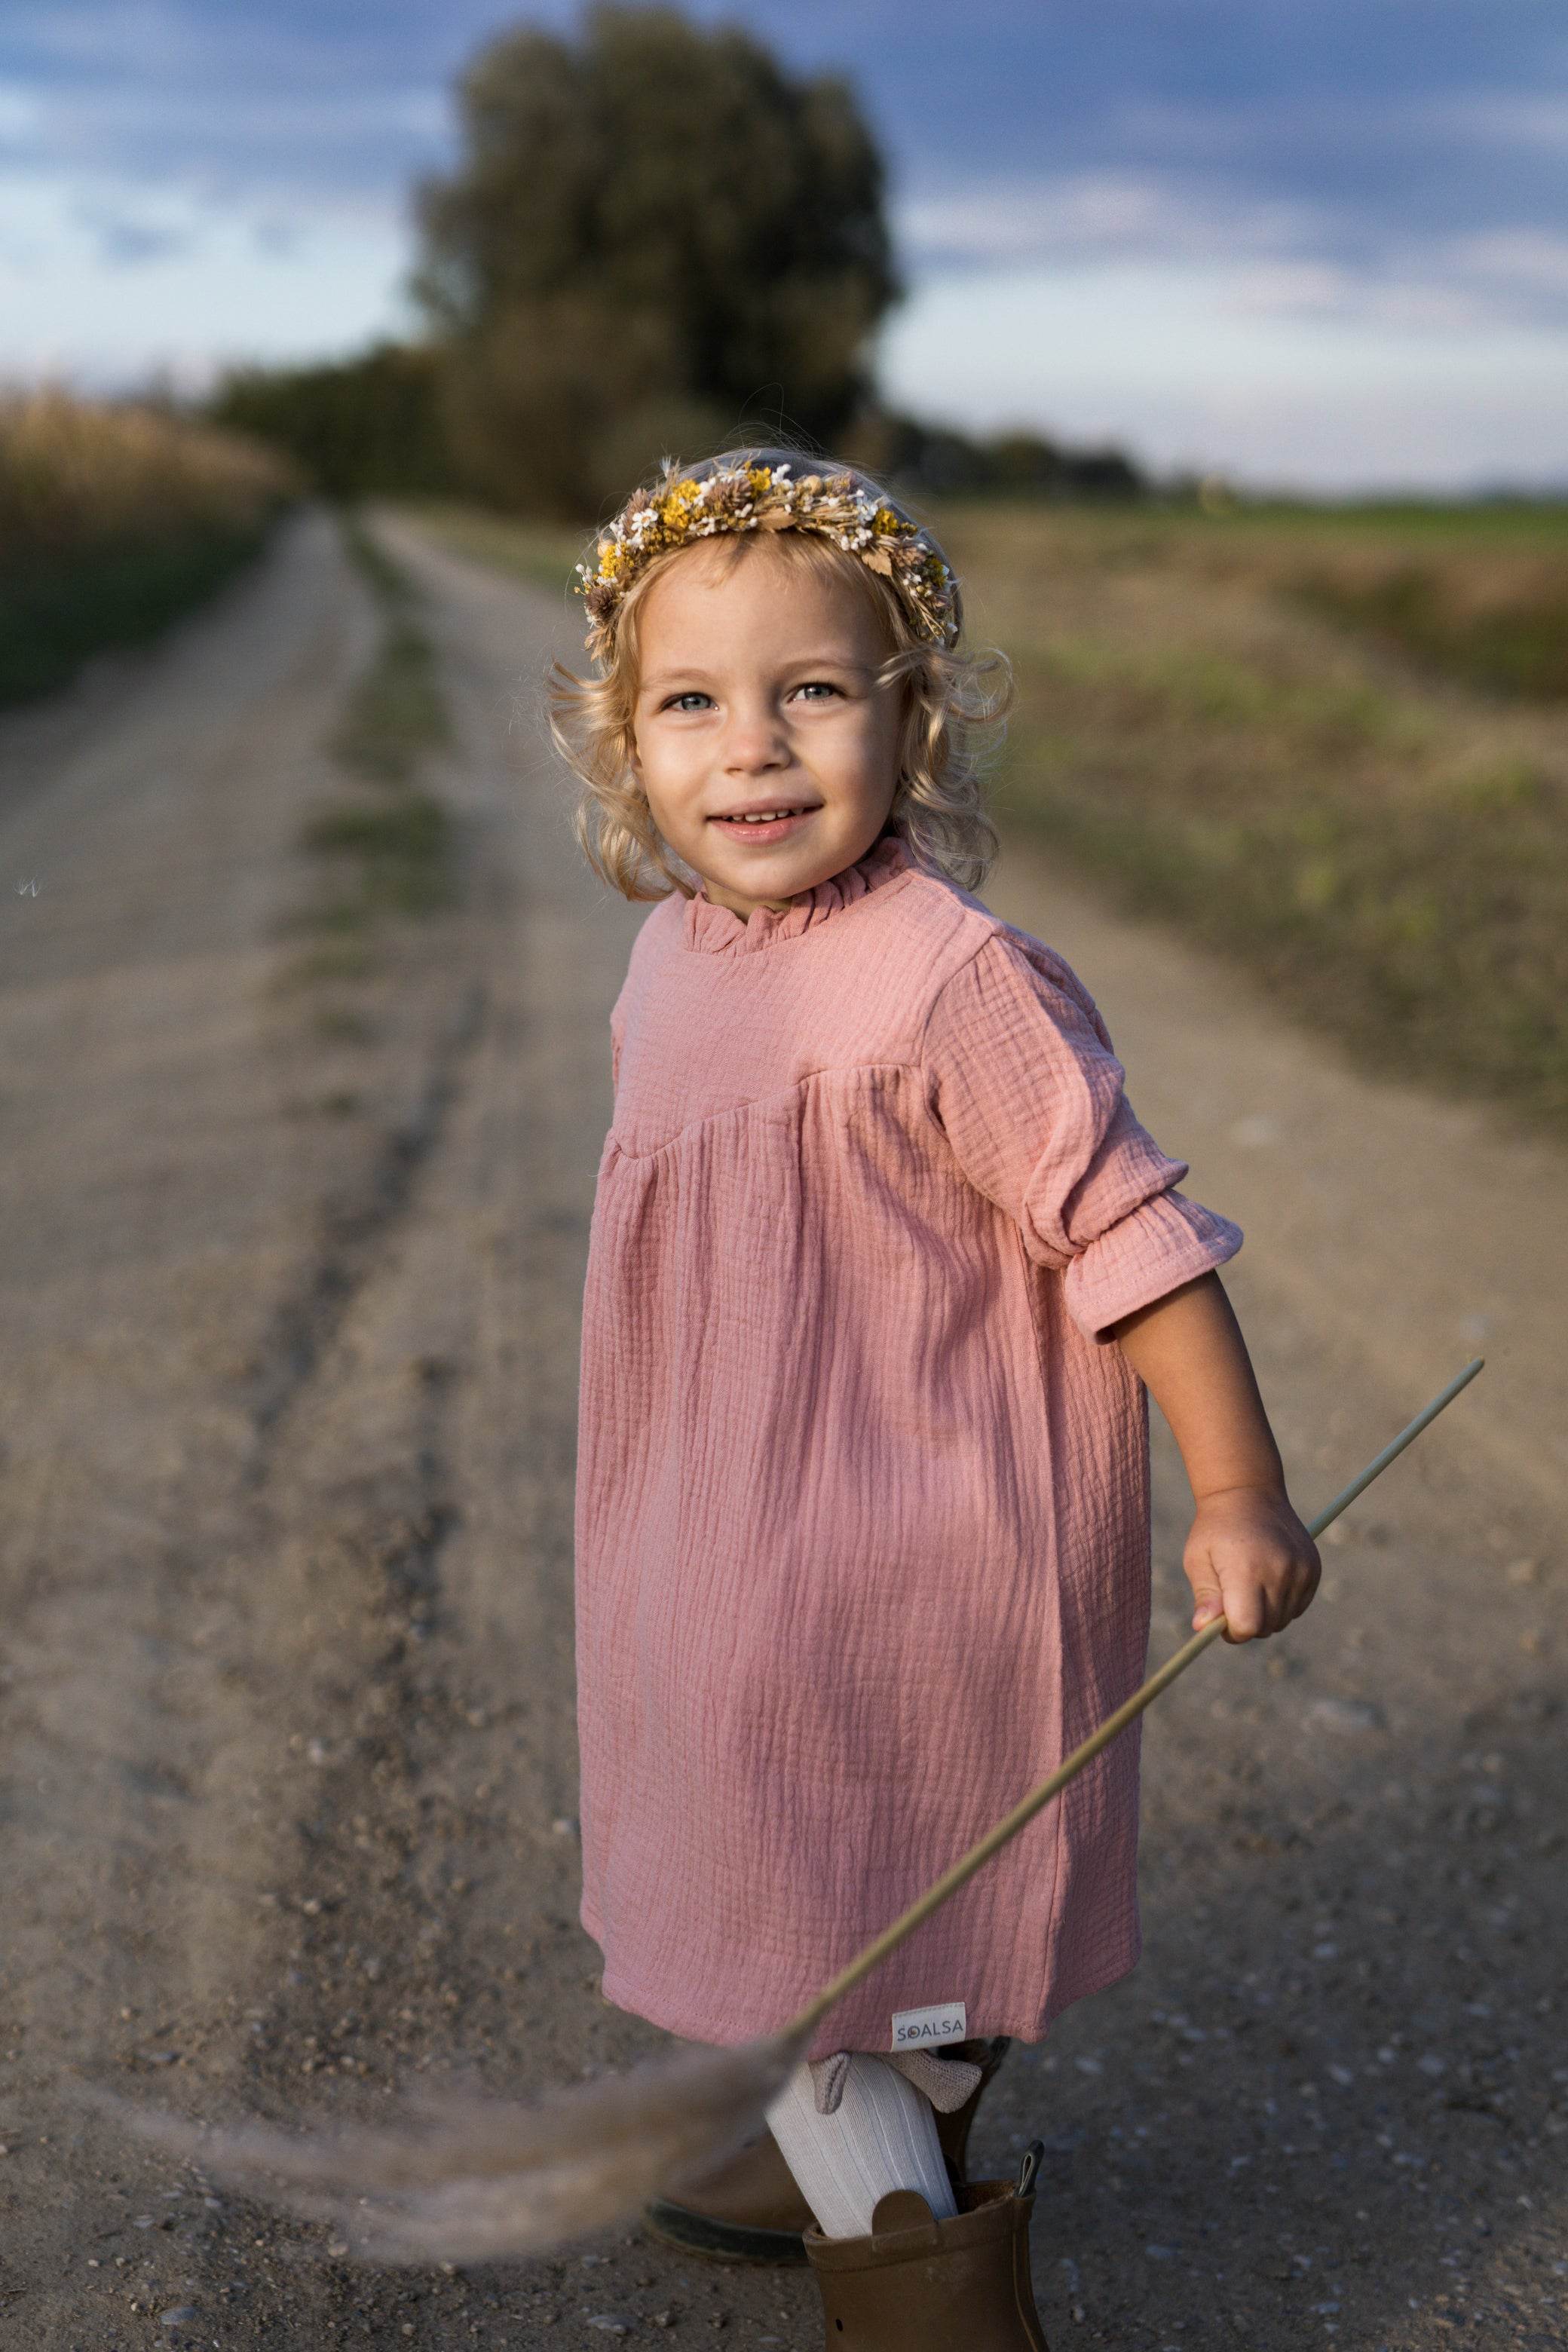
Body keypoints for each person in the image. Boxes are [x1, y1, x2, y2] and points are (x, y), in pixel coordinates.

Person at [551, 450, 1320, 2345]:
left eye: (811, 692)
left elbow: (1131, 1238)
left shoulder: (951, 980)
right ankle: (853, 2119)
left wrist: (1236, 1492)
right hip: (712, 1525)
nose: (752, 750)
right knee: (782, 1881)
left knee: (830, 1898)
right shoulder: (666, 957)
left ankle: (916, 2275)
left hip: (913, 1539)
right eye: (690, 703)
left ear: (912, 714)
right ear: (623, 742)